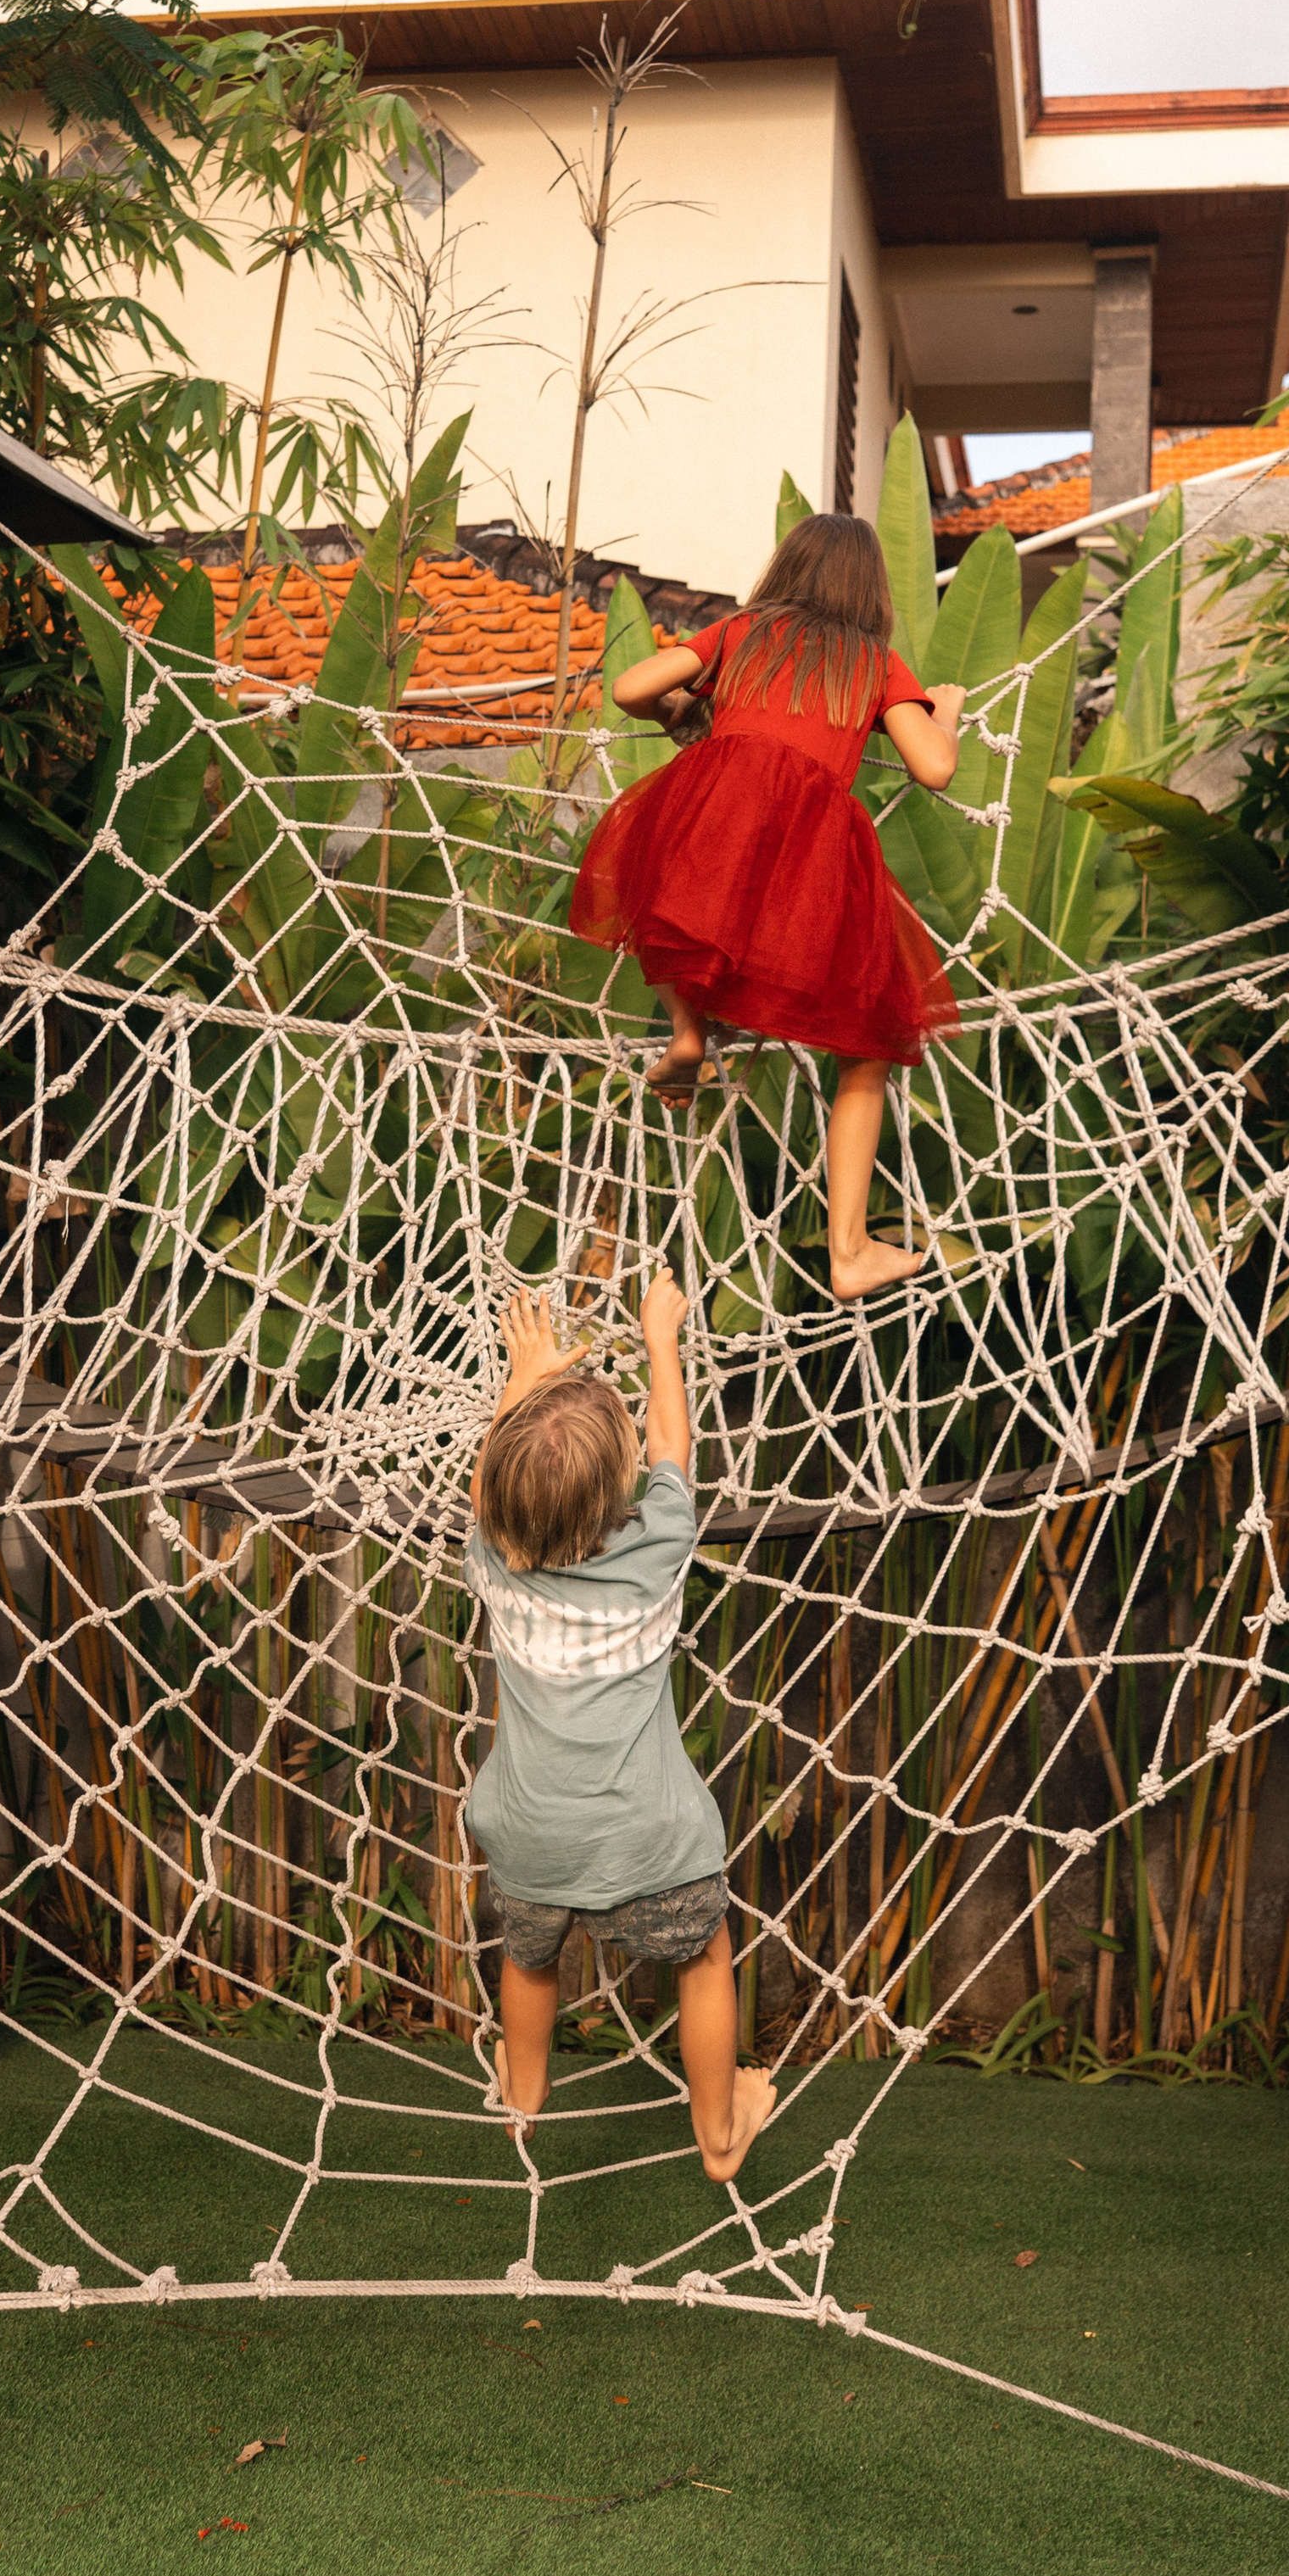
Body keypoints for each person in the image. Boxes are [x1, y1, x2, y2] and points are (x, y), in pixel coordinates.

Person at [570, 511, 966, 1302]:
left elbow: (628, 688)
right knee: (867, 1047)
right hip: (813, 854)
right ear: (872, 590)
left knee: (676, 904)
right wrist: (945, 713)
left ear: (786, 569)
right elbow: (934, 769)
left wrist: (678, 712)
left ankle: (687, 1033)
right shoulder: (875, 663)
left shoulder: (743, 633)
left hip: (715, 810)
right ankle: (849, 1250)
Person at [465, 1272, 773, 2185]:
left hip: (527, 1831)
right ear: (620, 1490)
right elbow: (673, 1445)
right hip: (650, 1838)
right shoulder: (657, 1550)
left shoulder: (492, 1559)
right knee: (704, 1955)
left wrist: (523, 1377)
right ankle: (719, 2135)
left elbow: (490, 1492)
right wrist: (659, 1335)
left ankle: (524, 2095)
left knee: (529, 1959)